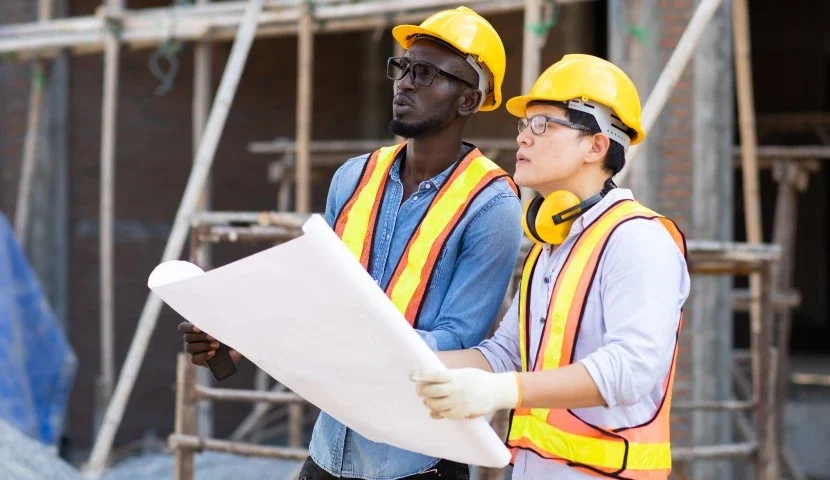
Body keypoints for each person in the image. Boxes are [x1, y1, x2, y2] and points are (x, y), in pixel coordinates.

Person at [180, 7, 522, 479]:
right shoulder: (355, 177)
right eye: (402, 67)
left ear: (468, 100)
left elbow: (456, 343)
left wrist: (329, 342)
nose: (404, 83)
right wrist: (242, 335)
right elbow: (320, 295)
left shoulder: (493, 207)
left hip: (416, 461)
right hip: (330, 449)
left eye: (425, 73)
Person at [411, 54, 691, 480]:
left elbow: (631, 367)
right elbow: (504, 355)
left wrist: (501, 390)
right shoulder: (551, 248)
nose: (524, 138)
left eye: (542, 124)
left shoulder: (637, 239)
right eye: (524, 125)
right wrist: (410, 360)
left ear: (596, 145)